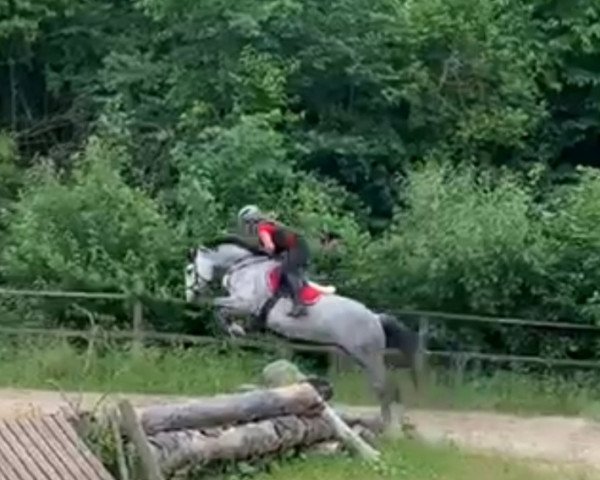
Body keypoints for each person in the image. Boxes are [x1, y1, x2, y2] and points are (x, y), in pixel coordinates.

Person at [237, 205, 310, 317]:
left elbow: (270, 247)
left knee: (286, 269)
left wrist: (263, 252)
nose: (247, 226)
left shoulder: (262, 228)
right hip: (296, 247)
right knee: (281, 271)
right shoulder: (269, 224)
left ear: (252, 220)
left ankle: (299, 304)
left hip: (297, 247)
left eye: (247, 223)